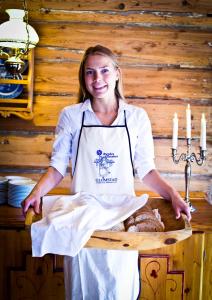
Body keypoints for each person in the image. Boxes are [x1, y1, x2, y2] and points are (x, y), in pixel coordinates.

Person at [22, 45, 191, 300]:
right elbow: (57, 167)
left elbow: (146, 170)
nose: (97, 79)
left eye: (104, 70)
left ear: (117, 74)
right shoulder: (71, 116)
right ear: (84, 78)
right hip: (81, 216)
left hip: (122, 219)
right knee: (83, 287)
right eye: (90, 72)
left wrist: (174, 195)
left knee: (119, 287)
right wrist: (36, 193)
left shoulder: (136, 118)